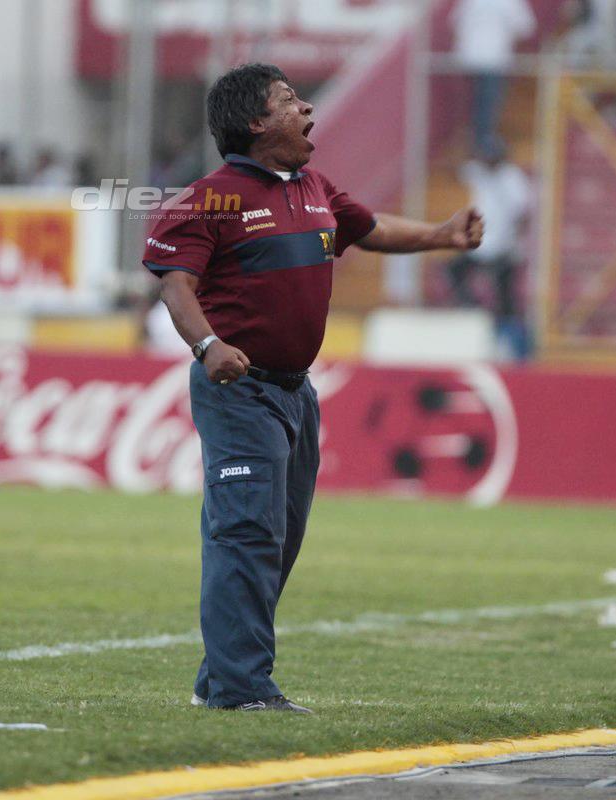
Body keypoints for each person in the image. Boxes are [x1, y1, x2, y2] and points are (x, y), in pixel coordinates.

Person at [142, 63, 483, 712]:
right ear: (256, 122)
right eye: (290, 100)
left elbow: (371, 230)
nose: (308, 109)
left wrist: (440, 235)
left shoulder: (314, 186)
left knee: (278, 539)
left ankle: (220, 679)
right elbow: (175, 285)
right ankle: (242, 689)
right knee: (247, 532)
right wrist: (208, 346)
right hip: (239, 391)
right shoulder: (206, 200)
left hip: (296, 394)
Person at [447, 136, 530, 360]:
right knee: (453, 271)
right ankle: (472, 308)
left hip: (503, 247)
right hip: (479, 243)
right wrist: (467, 147)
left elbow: (523, 214)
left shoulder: (512, 179)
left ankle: (513, 344)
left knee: (505, 296)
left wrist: (514, 241)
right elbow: (454, 168)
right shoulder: (480, 172)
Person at [449, 0, 536, 147]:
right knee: (488, 101)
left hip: (469, 58)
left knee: (476, 100)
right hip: (494, 58)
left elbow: (455, 22)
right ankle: (483, 143)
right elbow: (525, 28)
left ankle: (475, 140)